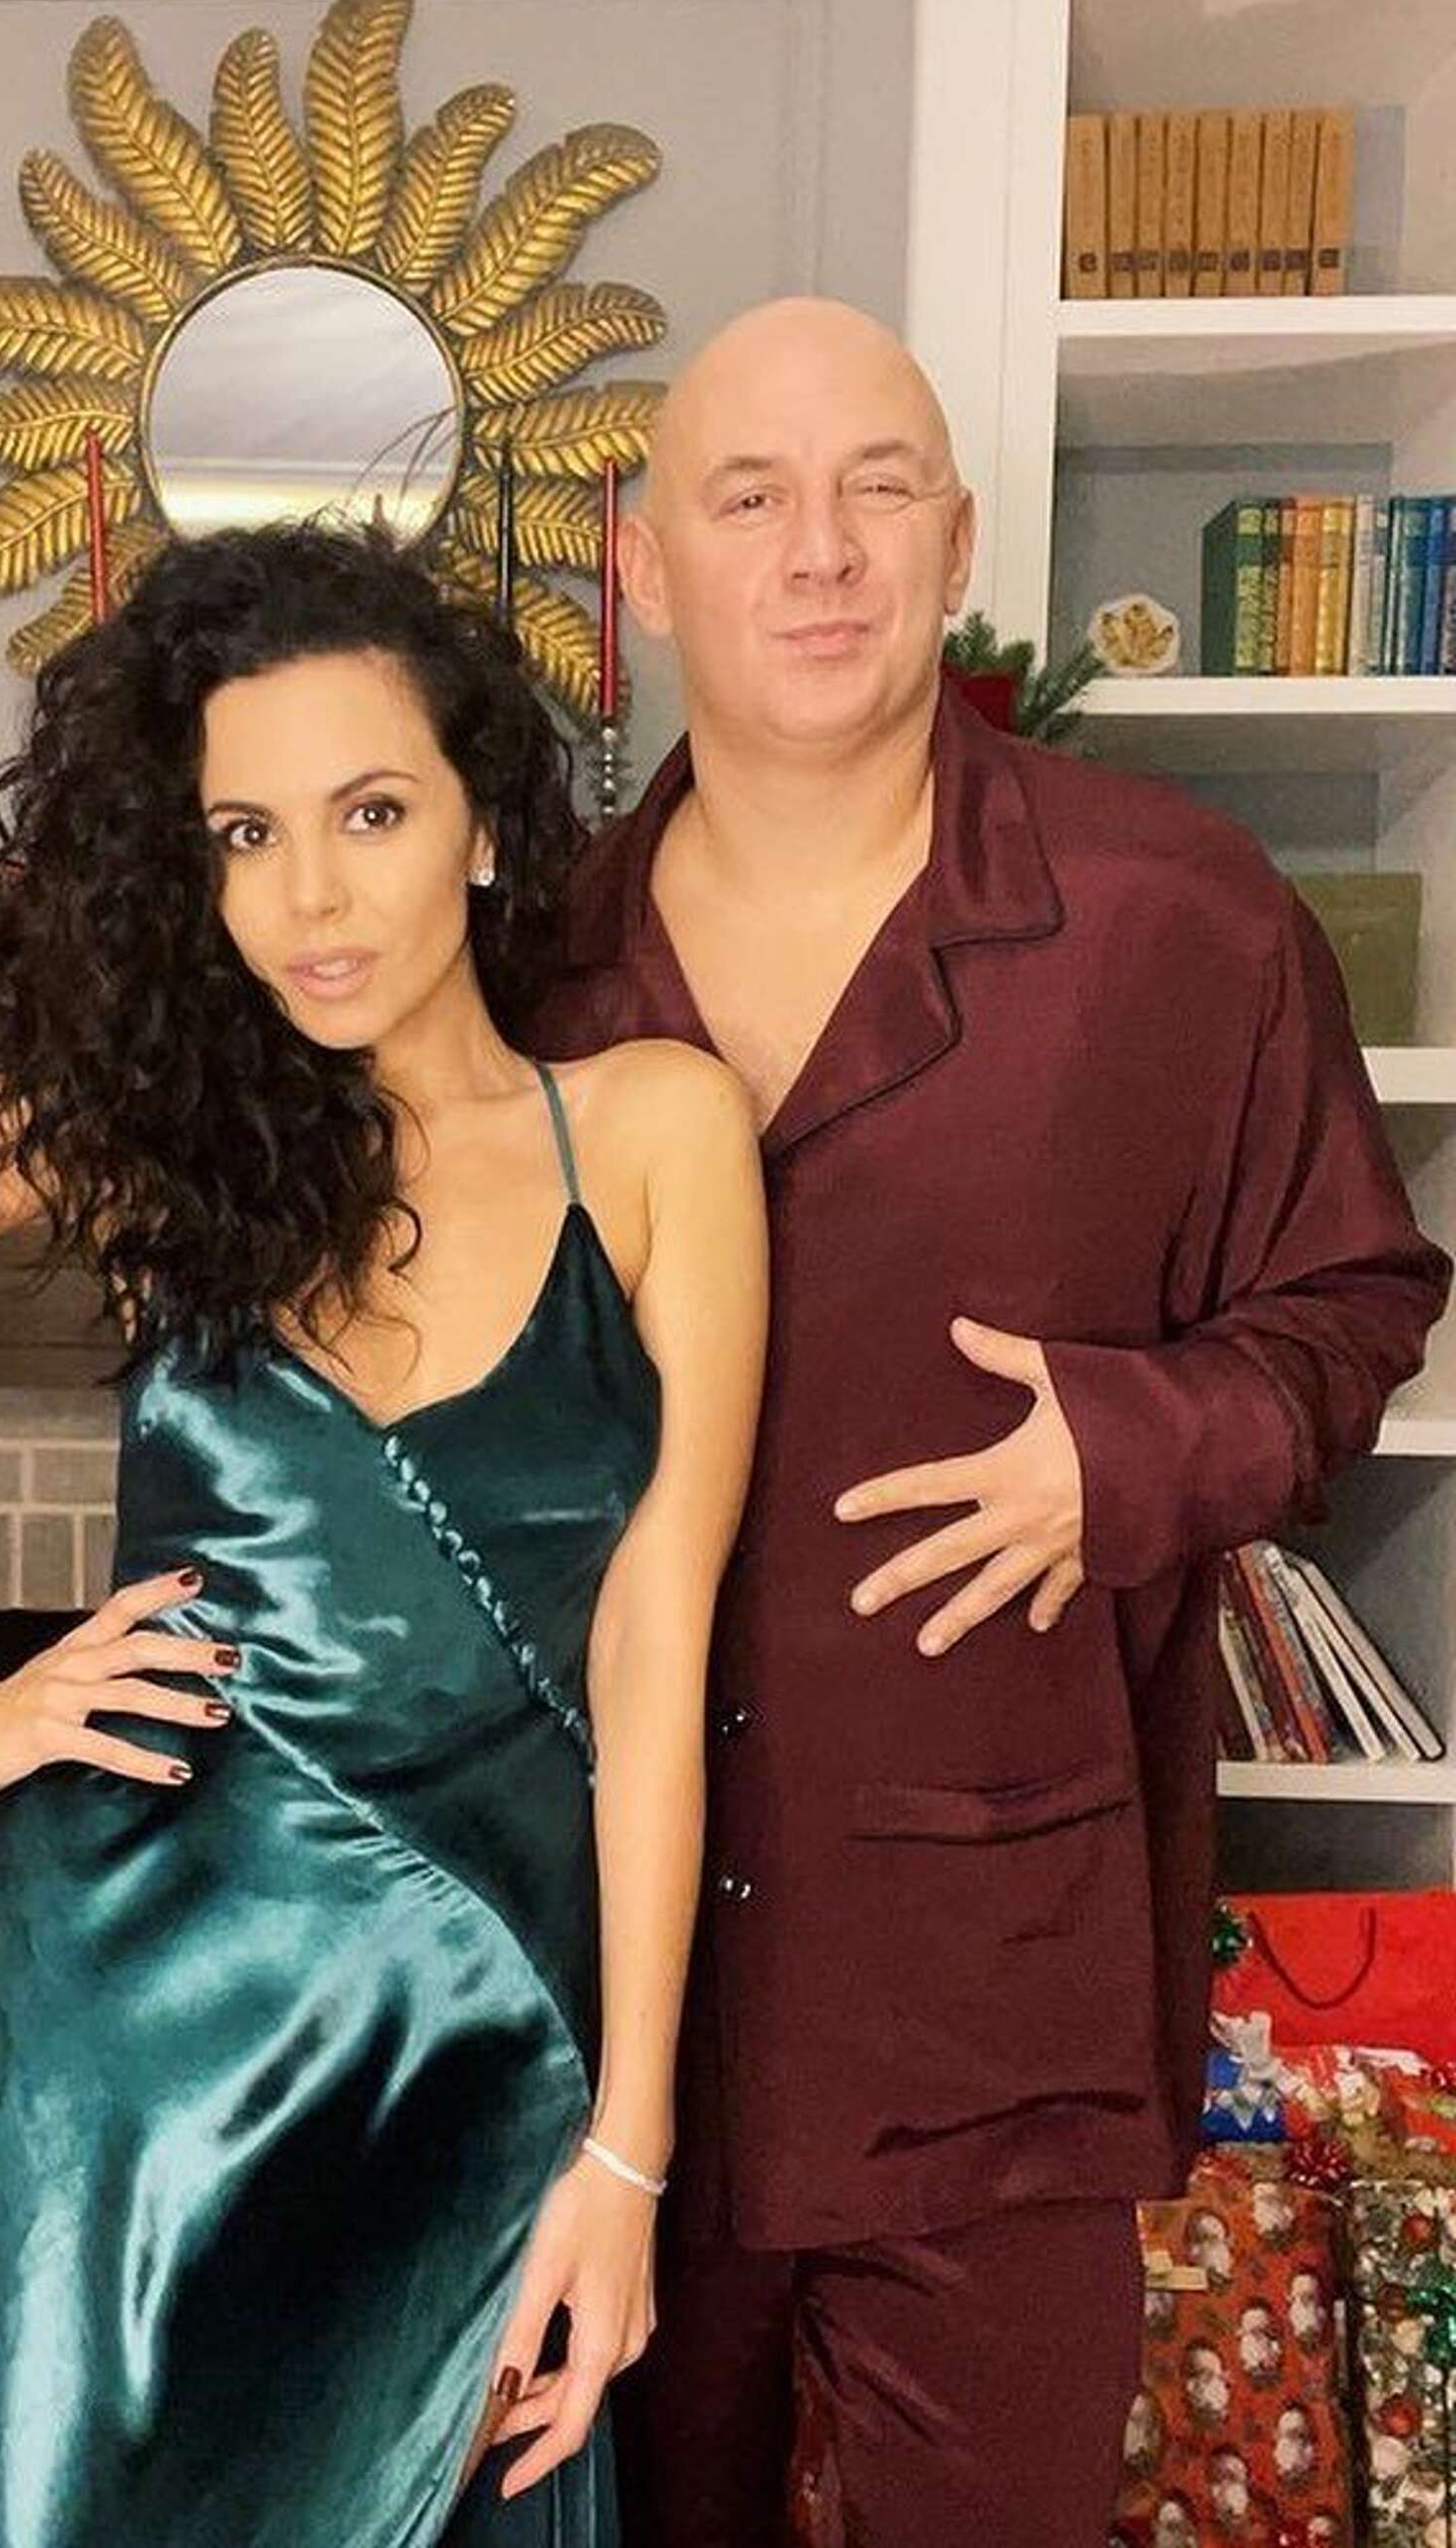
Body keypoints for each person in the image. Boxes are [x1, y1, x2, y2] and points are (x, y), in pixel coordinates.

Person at [0, 524, 768, 2547]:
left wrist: (629, 2146)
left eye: (370, 812)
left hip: (478, 2046)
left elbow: (661, 1637)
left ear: (484, 822)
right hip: (123, 2057)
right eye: (243, 833)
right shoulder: (129, 1126)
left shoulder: (656, 1131)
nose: (308, 896)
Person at [525, 297, 1450, 2543]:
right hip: (596, 2018)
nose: (819, 551)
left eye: (878, 490)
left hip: (993, 2000)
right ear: (647, 567)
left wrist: (1123, 1449)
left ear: (954, 539)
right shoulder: (526, 972)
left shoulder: (1178, 919)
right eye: (751, 496)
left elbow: (1355, 1299)